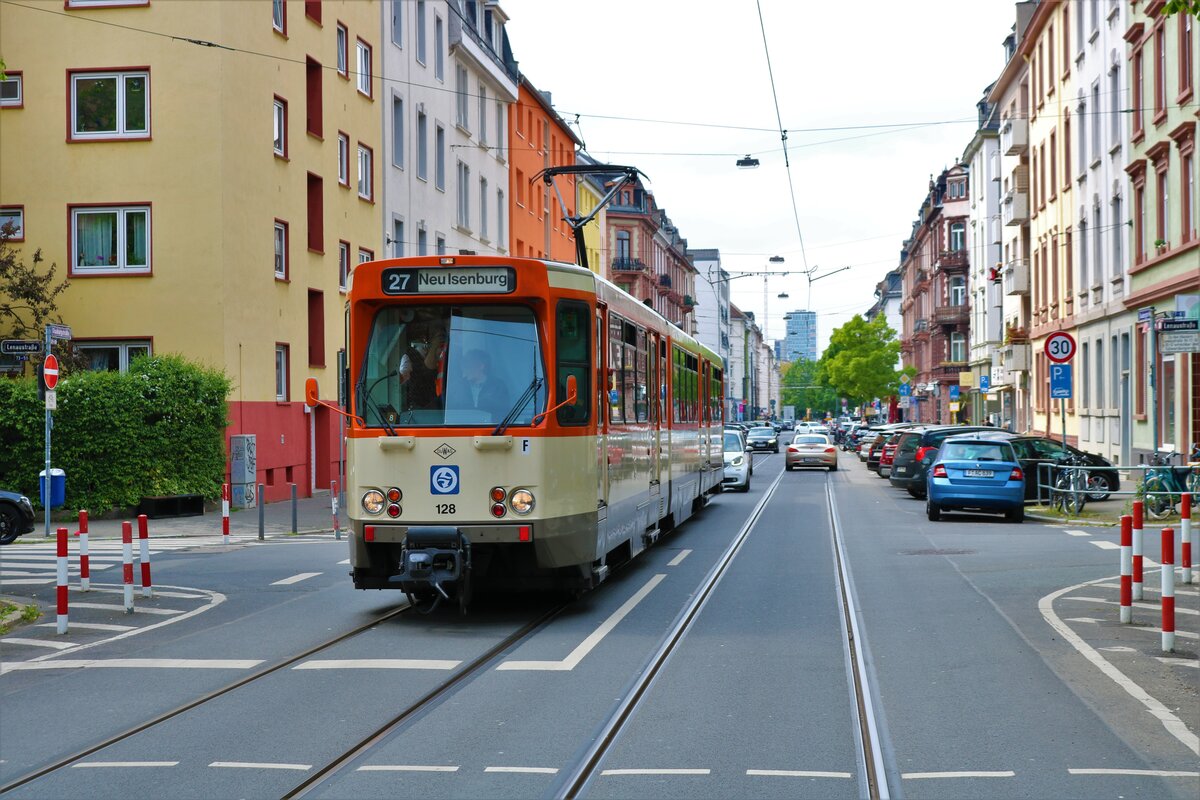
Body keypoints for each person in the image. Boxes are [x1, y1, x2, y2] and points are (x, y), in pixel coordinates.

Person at [398, 322, 445, 409]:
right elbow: (426, 373)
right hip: (418, 406)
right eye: (436, 335)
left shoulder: (445, 353)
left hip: (438, 404)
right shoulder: (409, 355)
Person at [455, 348, 509, 420]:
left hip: (492, 429)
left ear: (481, 366)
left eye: (468, 367)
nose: (464, 374)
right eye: (463, 368)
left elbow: (503, 412)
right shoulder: (457, 386)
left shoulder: (498, 386)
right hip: (462, 429)